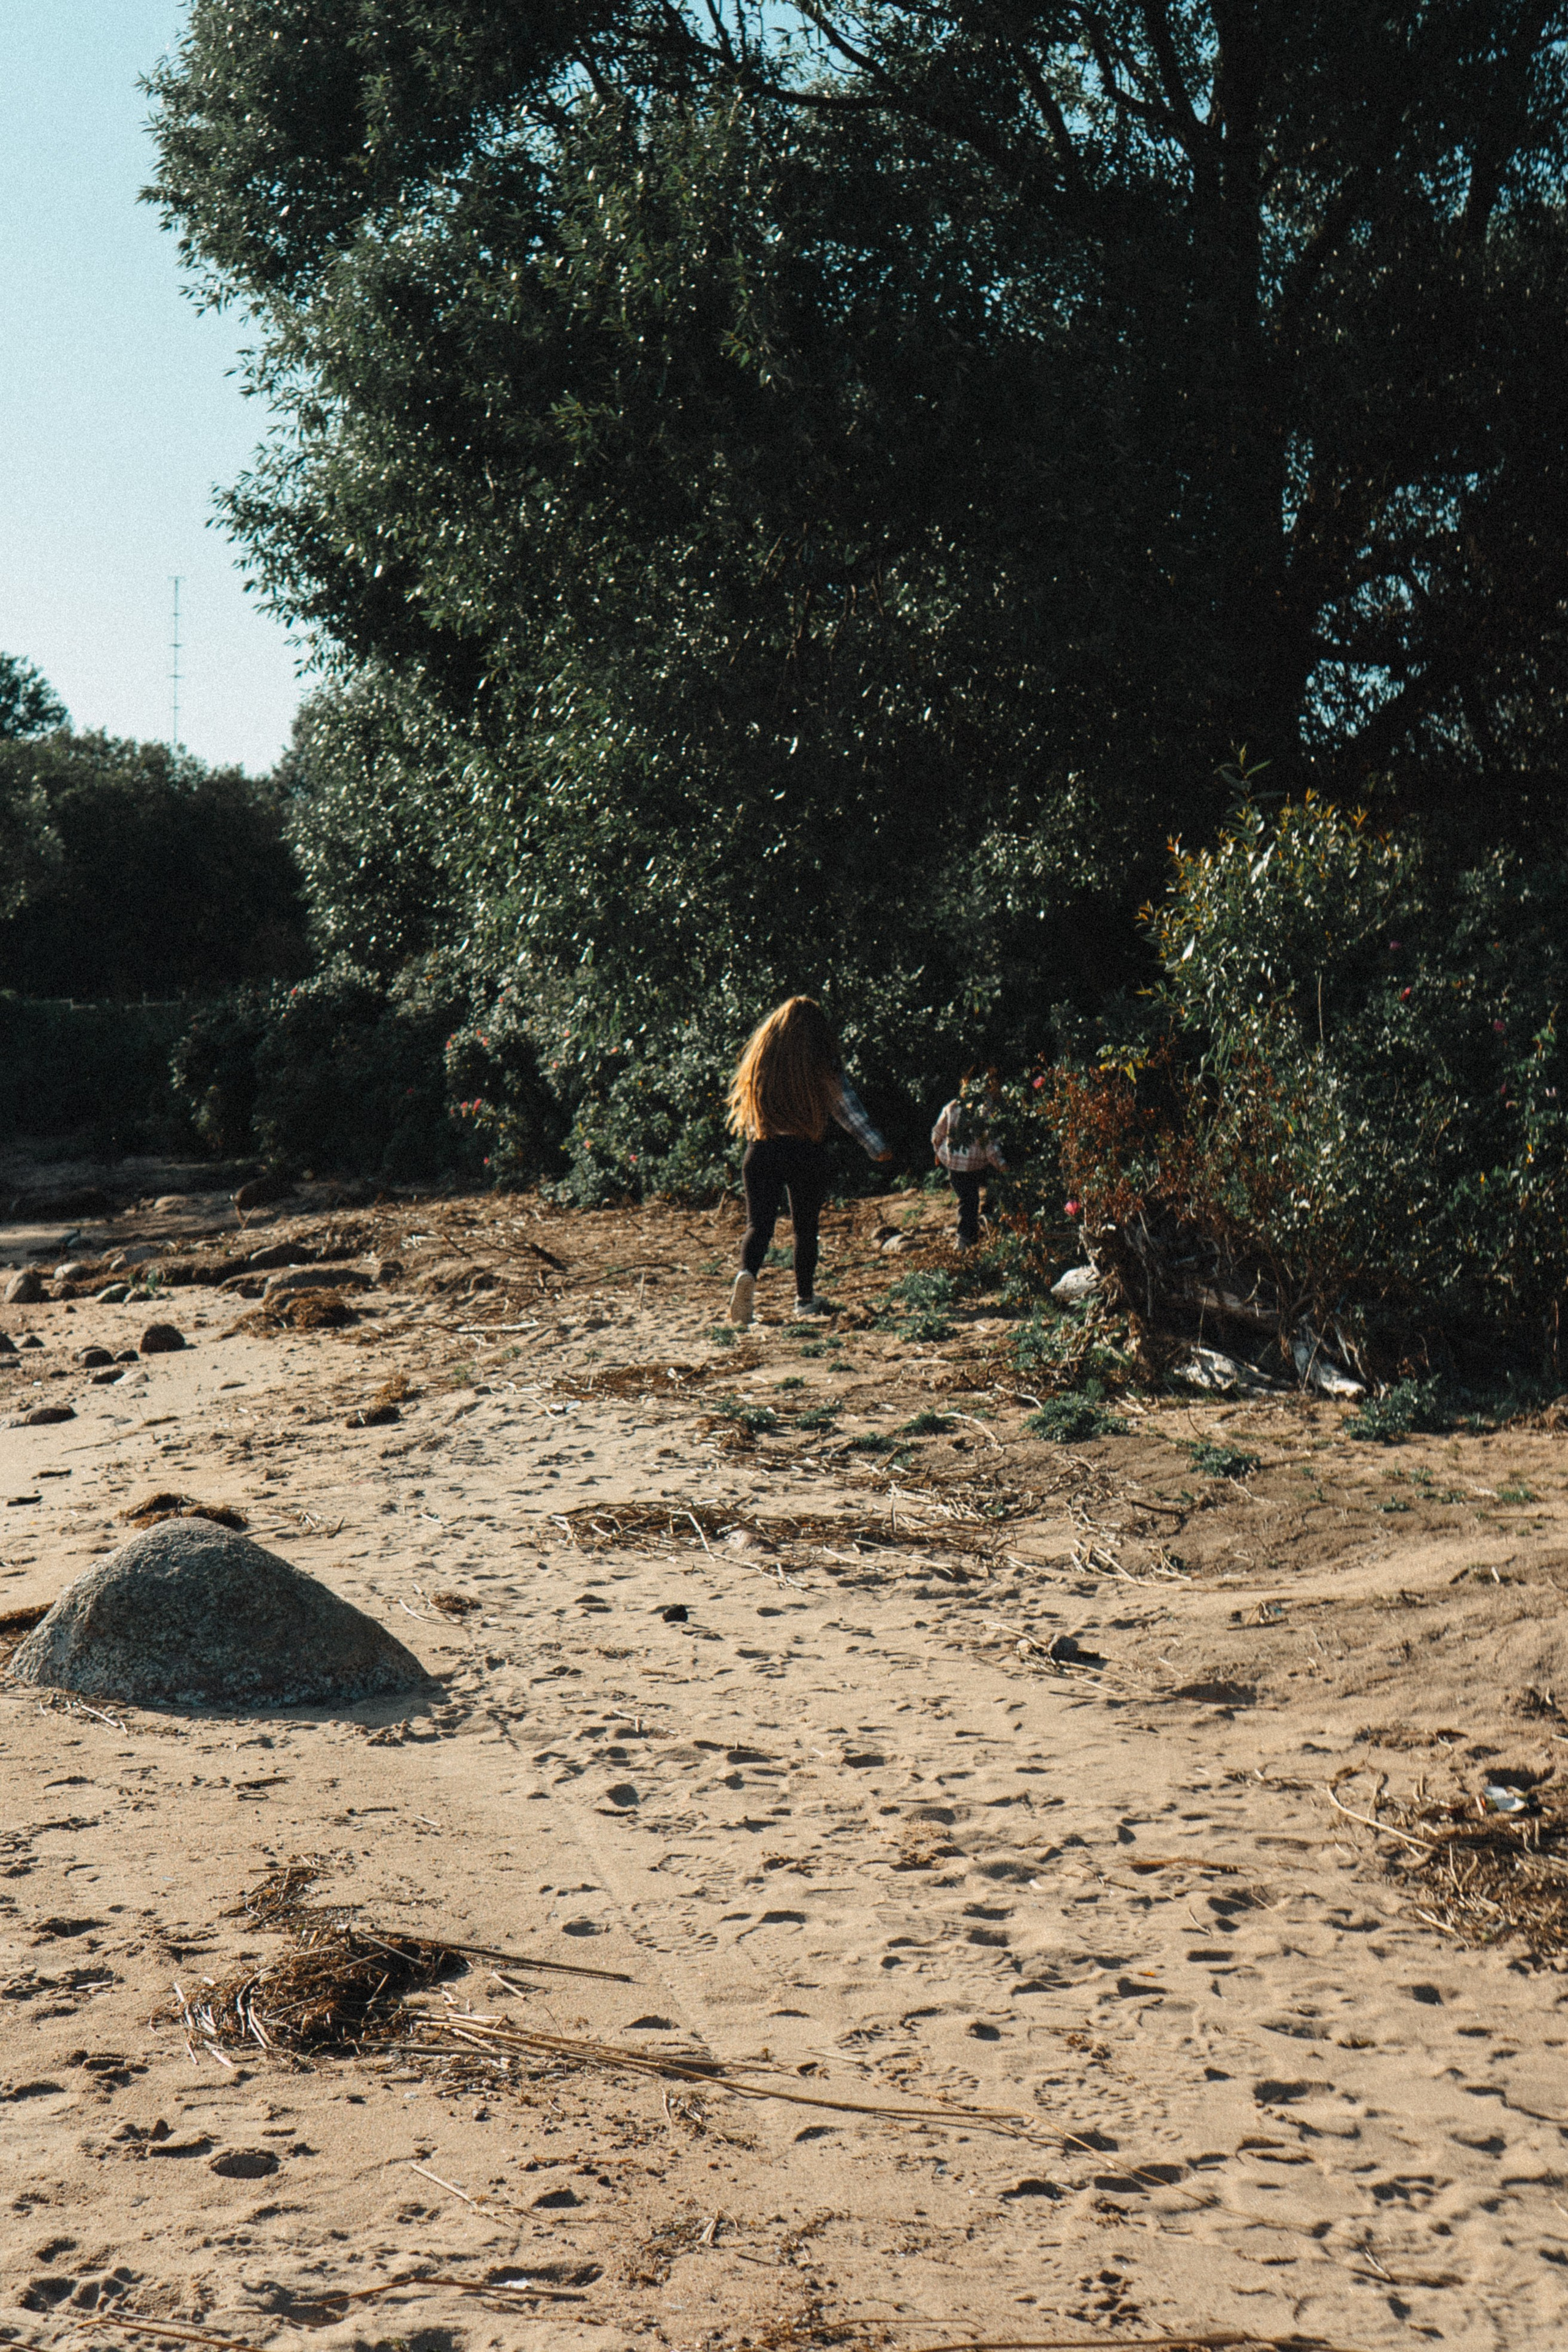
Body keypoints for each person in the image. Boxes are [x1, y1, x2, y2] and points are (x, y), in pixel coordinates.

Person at [726, 996, 891, 1325]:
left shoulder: (762, 1060)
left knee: (758, 1227)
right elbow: (847, 1110)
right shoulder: (821, 1063)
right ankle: (804, 1299)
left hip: (762, 1149)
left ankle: (746, 1276)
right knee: (805, 1228)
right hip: (805, 1151)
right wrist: (877, 1147)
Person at [931, 1077, 1006, 1249]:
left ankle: (965, 1238)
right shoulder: (985, 1111)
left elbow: (937, 1133)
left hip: (955, 1164)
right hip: (977, 1164)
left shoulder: (952, 1106)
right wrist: (1002, 1166)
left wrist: (937, 1152)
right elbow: (989, 1146)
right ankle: (986, 1219)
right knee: (994, 1185)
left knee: (967, 1201)